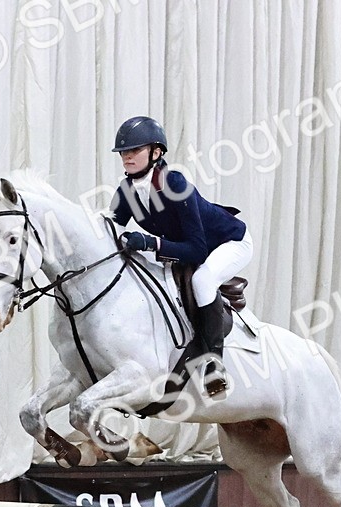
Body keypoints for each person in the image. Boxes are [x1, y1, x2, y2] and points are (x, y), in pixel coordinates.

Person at [107, 115, 251, 397]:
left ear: (156, 152)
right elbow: (110, 227)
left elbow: (196, 249)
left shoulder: (174, 183)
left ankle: (214, 363)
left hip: (229, 242)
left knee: (203, 280)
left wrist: (149, 242)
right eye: (124, 152)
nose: (127, 157)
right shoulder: (126, 191)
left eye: (134, 150)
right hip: (190, 247)